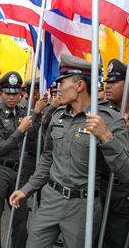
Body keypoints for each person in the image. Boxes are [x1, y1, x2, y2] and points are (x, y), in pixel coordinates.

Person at [9, 54, 129, 248]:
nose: (58, 88)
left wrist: (106, 137)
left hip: (82, 207)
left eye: (62, 82)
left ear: (79, 85)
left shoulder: (108, 119)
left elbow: (125, 172)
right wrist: (27, 189)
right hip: (51, 200)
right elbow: (48, 159)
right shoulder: (58, 116)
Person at [0, 72, 45, 248]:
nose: (12, 97)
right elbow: (0, 148)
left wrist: (36, 113)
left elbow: (33, 136)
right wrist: (20, 129)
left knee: (20, 217)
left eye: (16, 93)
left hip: (19, 169)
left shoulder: (23, 111)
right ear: (0, 93)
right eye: (8, 93)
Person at [98, 59, 129, 248]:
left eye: (114, 82)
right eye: (107, 82)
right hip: (101, 187)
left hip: (123, 193)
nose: (107, 86)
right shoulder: (103, 112)